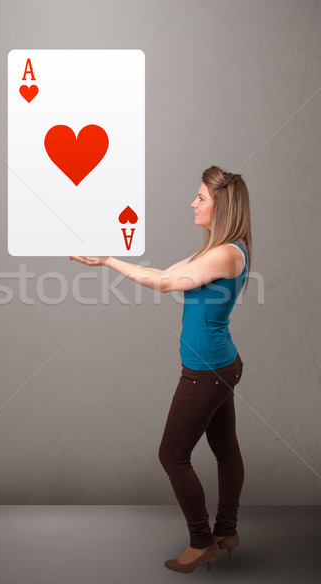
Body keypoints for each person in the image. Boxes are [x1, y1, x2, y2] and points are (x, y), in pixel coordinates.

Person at [68, 165, 252, 574]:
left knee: (172, 456)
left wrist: (110, 262)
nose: (193, 202)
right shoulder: (217, 247)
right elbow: (165, 274)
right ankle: (227, 531)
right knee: (225, 449)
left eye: (201, 197)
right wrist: (109, 259)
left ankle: (202, 540)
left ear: (221, 204)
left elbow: (166, 285)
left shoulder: (225, 253)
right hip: (222, 366)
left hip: (206, 371)